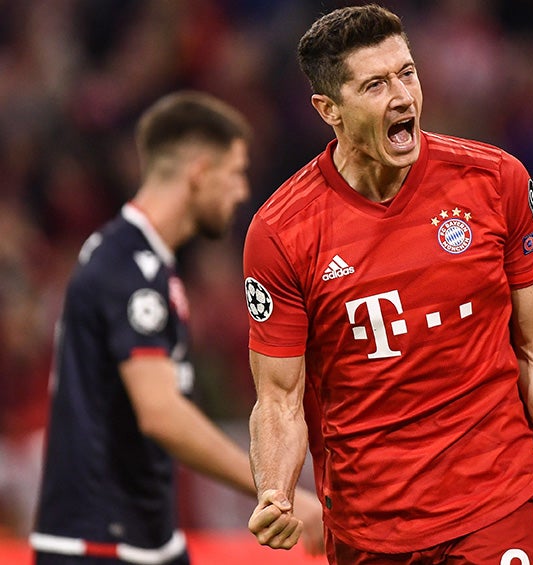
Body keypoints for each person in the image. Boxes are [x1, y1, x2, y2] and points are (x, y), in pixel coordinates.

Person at [242, 5, 533, 564]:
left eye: (407, 73)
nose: (402, 97)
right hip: (373, 533)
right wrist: (274, 490)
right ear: (329, 110)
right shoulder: (283, 233)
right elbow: (279, 396)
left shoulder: (496, 182)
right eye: (374, 84)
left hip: (499, 508)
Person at [30, 91, 323, 565]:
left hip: (139, 537)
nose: (242, 191)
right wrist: (276, 491)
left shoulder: (140, 262)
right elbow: (161, 413)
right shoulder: (128, 268)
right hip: (99, 545)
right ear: (200, 173)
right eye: (235, 173)